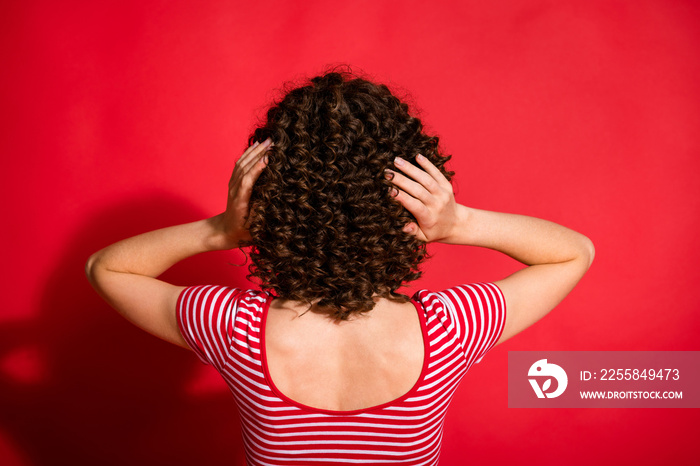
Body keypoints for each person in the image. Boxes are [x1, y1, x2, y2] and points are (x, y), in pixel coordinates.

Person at [86, 70, 594, 465]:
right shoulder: (448, 331)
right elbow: (574, 252)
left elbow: (106, 269)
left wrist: (222, 230)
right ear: (403, 209)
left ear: (274, 204)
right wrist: (457, 222)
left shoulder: (234, 329)